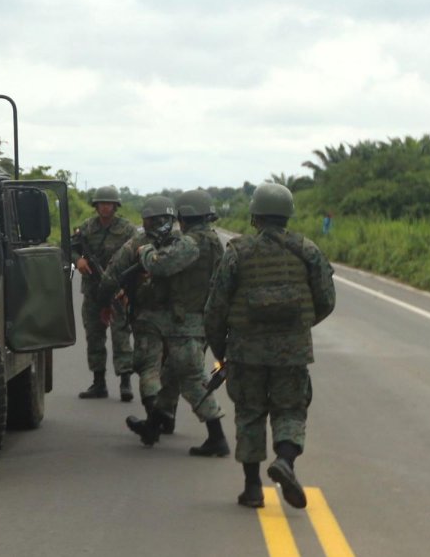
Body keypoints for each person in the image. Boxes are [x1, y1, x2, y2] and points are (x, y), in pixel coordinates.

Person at [205, 183, 335, 509]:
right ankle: (286, 462)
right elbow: (326, 300)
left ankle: (252, 489)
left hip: (245, 351)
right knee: (290, 409)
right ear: (287, 215)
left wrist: (221, 349)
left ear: (255, 215)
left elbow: (215, 308)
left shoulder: (237, 252)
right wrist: (298, 328)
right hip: (292, 350)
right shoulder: (307, 250)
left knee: (249, 414)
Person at [124, 189, 229, 456]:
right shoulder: (214, 241)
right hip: (196, 319)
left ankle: (217, 437)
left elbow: (160, 265)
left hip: (187, 323)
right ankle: (153, 426)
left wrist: (146, 251)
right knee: (169, 377)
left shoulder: (193, 243)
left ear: (186, 216)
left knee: (192, 379)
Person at [97, 196, 176, 431]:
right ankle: (167, 418)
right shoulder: (185, 243)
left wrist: (104, 304)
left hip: (148, 317)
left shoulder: (136, 244)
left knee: (148, 367)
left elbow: (110, 277)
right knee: (171, 368)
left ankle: (154, 419)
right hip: (180, 318)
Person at [70, 186, 137, 400]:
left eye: (109, 203)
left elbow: (137, 254)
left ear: (116, 206)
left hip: (118, 290)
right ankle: (98, 382)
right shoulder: (87, 227)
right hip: (92, 291)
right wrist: (77, 260)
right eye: (101, 203)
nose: (105, 207)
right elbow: (70, 247)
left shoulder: (127, 229)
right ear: (96, 206)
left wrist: (128, 287)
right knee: (94, 336)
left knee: (121, 336)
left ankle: (125, 382)